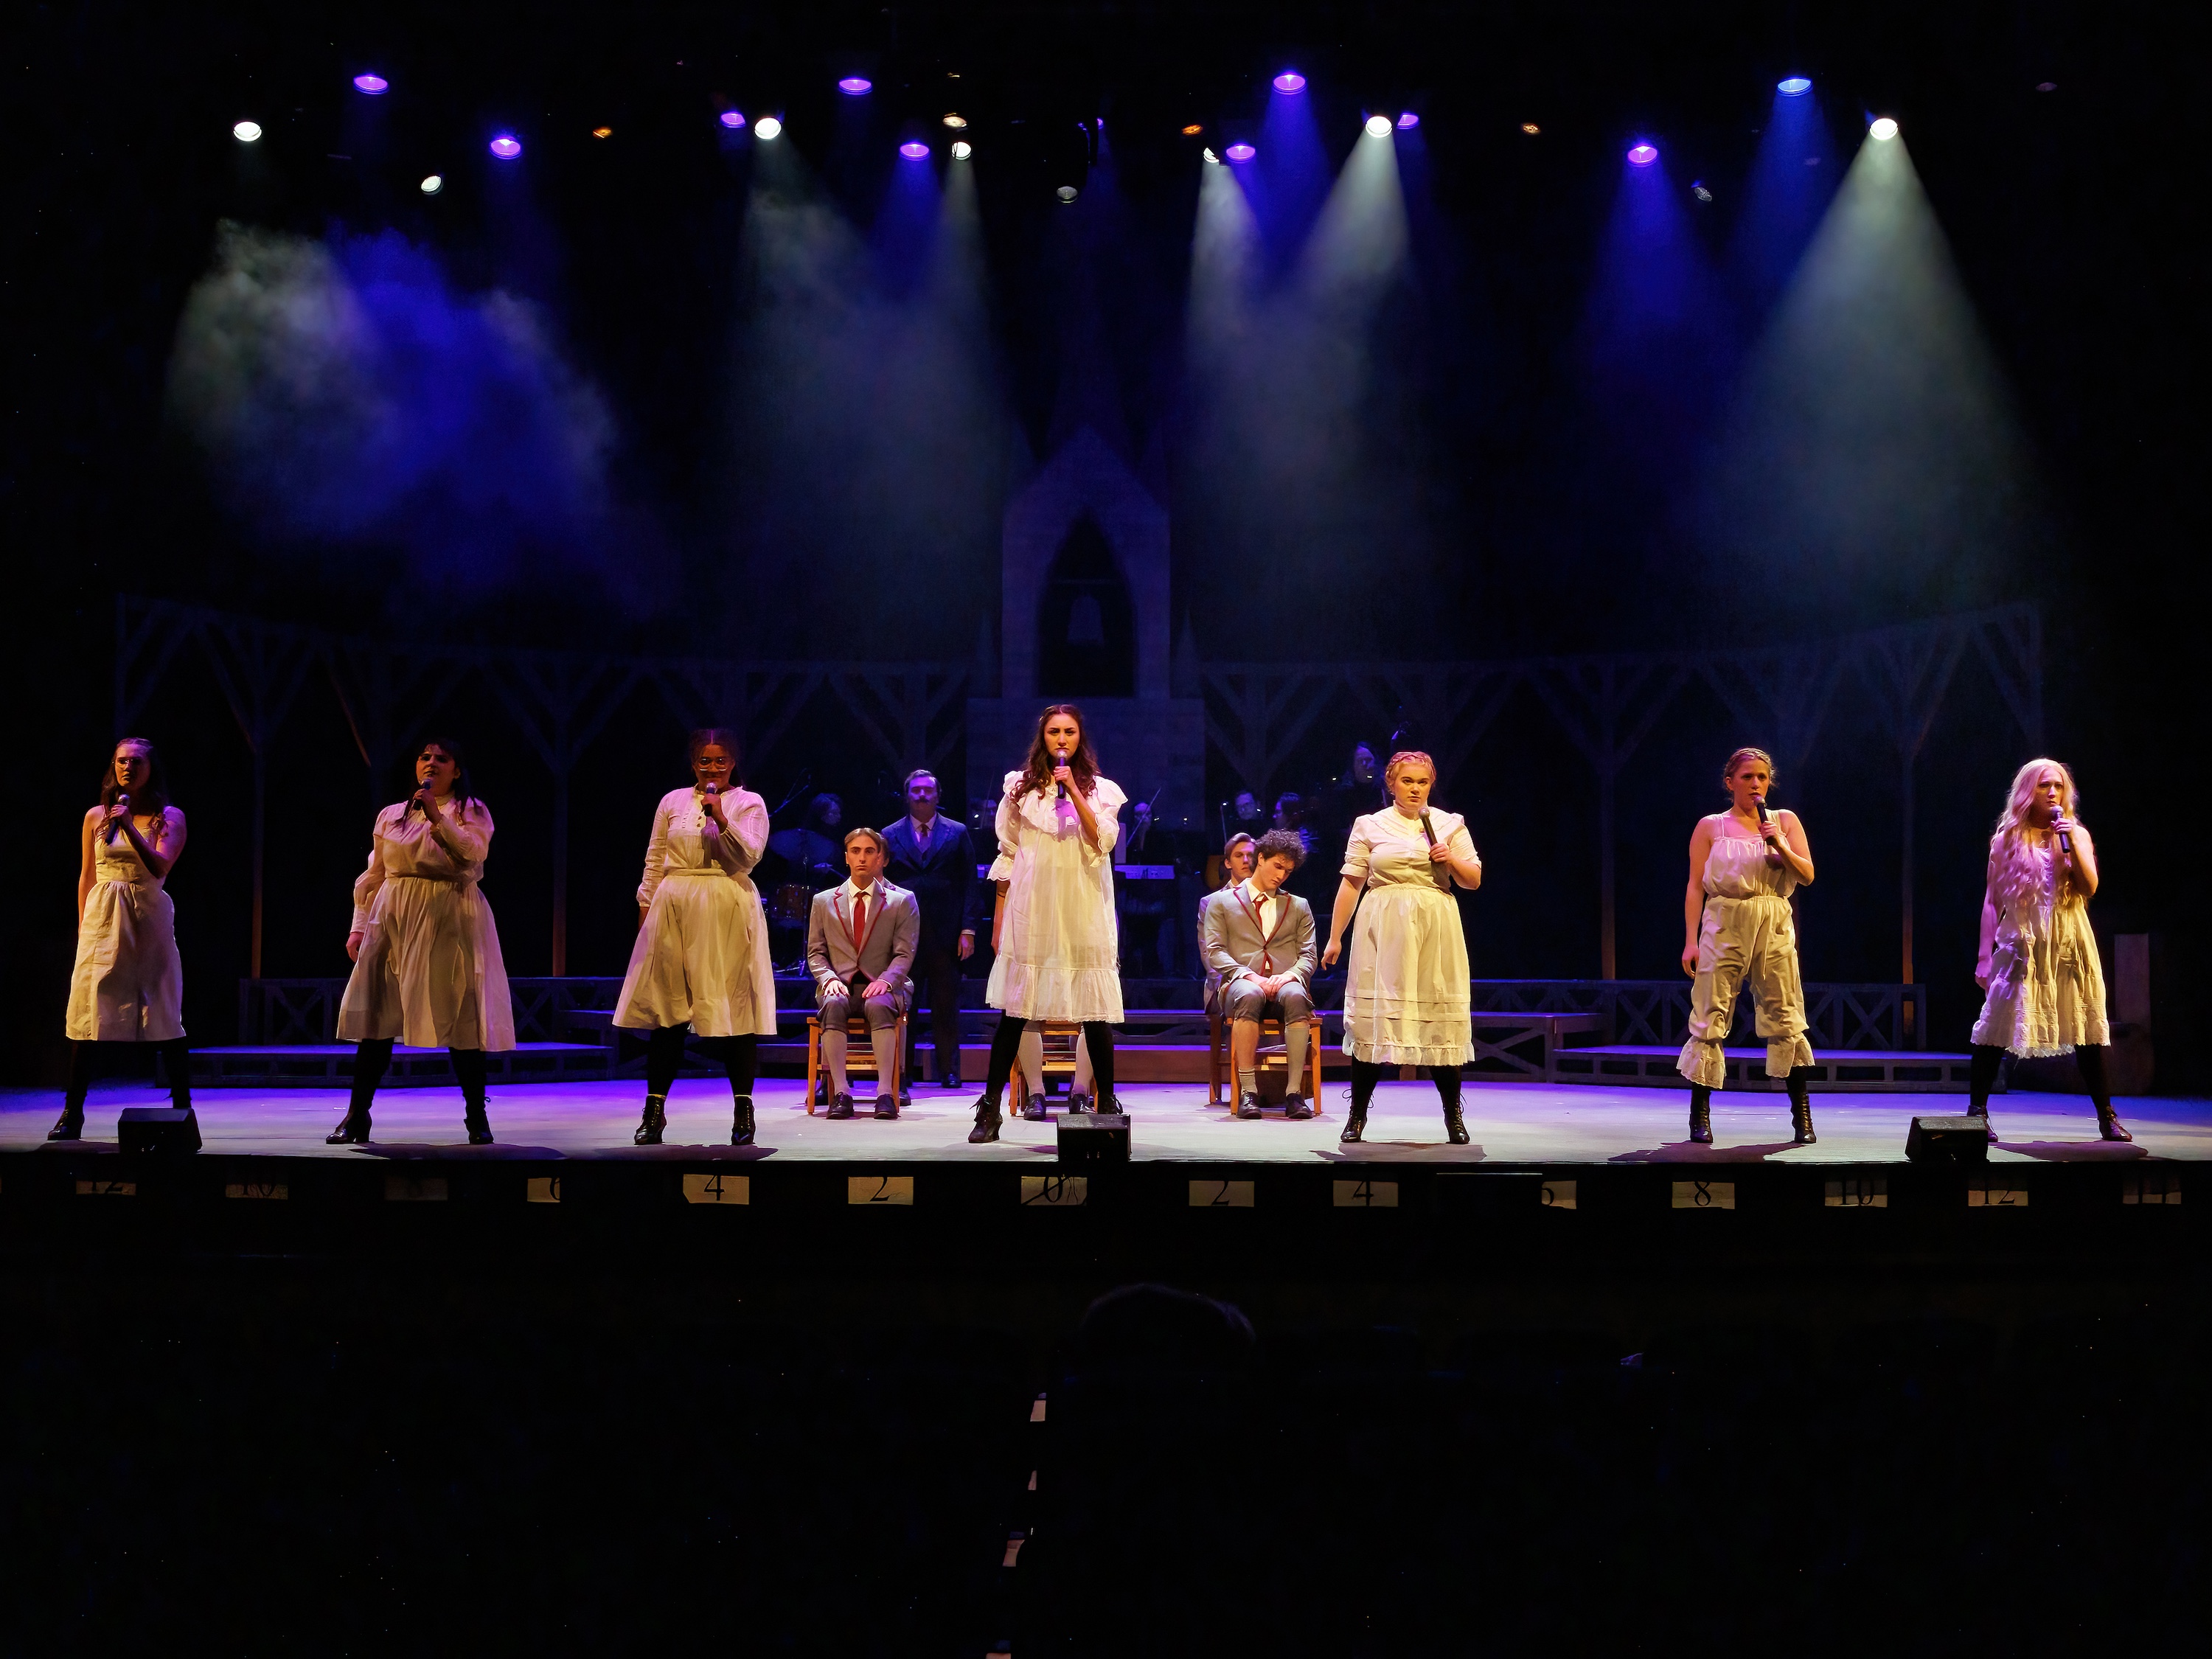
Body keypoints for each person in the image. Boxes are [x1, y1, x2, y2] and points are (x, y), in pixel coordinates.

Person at [329, 738, 515, 1145]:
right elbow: (374, 874)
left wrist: (437, 818)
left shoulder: (471, 811)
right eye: (424, 757)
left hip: (449, 915)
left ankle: (476, 1117)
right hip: (394, 916)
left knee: (461, 1017)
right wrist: (358, 925)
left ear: (457, 770)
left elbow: (472, 855)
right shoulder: (392, 815)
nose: (431, 764)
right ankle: (357, 1115)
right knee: (377, 1016)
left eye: (441, 759)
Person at [613, 728, 777, 1147]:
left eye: (721, 761)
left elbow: (751, 855)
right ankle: (654, 1112)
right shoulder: (671, 801)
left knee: (735, 1012)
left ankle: (743, 1110)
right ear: (693, 764)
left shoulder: (748, 802)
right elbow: (654, 859)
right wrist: (645, 909)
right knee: (669, 1013)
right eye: (705, 761)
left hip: (725, 904)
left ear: (733, 763)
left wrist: (721, 817)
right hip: (675, 904)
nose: (712, 768)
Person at [969, 704, 1125, 1141]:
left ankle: (1106, 1106)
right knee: (1016, 1013)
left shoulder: (1102, 790)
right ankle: (990, 1109)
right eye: (1054, 732)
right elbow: (1009, 854)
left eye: (1070, 732)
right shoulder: (1019, 789)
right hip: (1034, 908)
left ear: (1080, 738)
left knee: (1094, 1016)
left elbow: (1104, 840)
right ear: (1043, 737)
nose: (1062, 739)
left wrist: (1073, 788)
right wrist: (1000, 921)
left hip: (1082, 905)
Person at [1321, 751, 1481, 1144]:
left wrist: (1452, 860)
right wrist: (1335, 937)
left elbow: (1473, 880)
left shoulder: (1449, 823)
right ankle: (1357, 1116)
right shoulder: (1370, 824)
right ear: (1391, 783)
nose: (1415, 789)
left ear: (1431, 784)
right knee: (1376, 1019)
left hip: (1435, 925)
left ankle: (1453, 1118)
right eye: (1407, 781)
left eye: (1422, 782)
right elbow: (1351, 883)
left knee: (1439, 1024)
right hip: (1384, 925)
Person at [1967, 759, 2128, 1143]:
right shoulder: (2006, 839)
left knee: (2087, 1028)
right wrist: (1984, 957)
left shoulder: (2076, 835)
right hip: (2023, 942)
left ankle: (2107, 1115)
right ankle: (1977, 1111)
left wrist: (2069, 849)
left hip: (2070, 942)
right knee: (1996, 1027)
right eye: (2043, 786)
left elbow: (2089, 889)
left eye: (2058, 785)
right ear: (2027, 792)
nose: (2052, 792)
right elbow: (1992, 901)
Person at [1674, 748, 1818, 1145]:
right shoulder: (1711, 827)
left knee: (1786, 1012)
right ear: (1730, 782)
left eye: (1762, 777)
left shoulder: (1784, 821)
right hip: (1724, 919)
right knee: (1710, 1011)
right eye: (1747, 777)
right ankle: (1699, 1115)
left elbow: (1807, 875)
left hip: (1772, 919)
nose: (1756, 784)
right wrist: (1690, 941)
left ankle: (1801, 1117)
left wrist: (1780, 846)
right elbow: (1693, 886)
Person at [53, 738, 191, 1141]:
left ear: (152, 768)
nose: (127, 768)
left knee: (161, 1006)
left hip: (146, 915)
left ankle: (182, 1110)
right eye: (120, 761)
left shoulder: (169, 817)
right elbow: (87, 875)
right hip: (103, 917)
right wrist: (83, 930)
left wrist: (129, 824)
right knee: (89, 1008)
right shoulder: (96, 816)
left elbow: (160, 866)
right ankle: (72, 1113)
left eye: (136, 761)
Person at [1203, 828, 1320, 1120]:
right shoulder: (1221, 902)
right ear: (1262, 858)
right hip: (1241, 983)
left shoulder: (1298, 905)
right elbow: (1215, 951)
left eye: (1288, 871)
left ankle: (1294, 1094)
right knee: (1250, 994)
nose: (1281, 875)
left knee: (1296, 996)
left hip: (1284, 983)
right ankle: (1248, 1091)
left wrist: (1291, 975)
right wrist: (1246, 974)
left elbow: (1309, 955)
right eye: (1278, 866)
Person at [807, 827, 920, 1119]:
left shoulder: (901, 901)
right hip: (840, 984)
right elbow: (816, 952)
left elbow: (904, 953)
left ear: (880, 858)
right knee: (832, 1006)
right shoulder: (823, 901)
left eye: (869, 851)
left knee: (879, 1006)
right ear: (846, 857)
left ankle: (885, 1093)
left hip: (881, 985)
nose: (862, 858)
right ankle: (841, 1092)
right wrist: (829, 978)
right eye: (856, 851)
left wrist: (885, 980)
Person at [883, 769, 978, 1088]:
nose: (922, 796)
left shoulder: (957, 832)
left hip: (946, 933)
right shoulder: (890, 834)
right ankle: (902, 1071)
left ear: (938, 796)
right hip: (903, 936)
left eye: (928, 791)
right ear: (907, 796)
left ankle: (949, 1070)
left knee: (945, 1006)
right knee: (902, 1005)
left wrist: (968, 929)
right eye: (916, 791)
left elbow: (969, 883)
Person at [1200, 832, 1259, 1020]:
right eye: (1239, 855)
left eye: (1250, 856)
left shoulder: (1272, 899)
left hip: (1263, 982)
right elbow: (1209, 954)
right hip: (1225, 982)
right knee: (1246, 1000)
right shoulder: (1210, 903)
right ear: (1227, 863)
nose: (1246, 860)